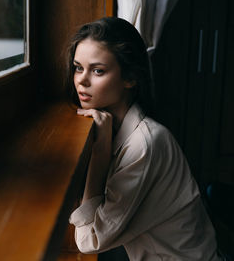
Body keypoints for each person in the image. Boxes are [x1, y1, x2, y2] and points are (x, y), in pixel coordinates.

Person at [66, 17, 221, 261]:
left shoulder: (145, 143)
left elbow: (89, 240)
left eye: (98, 71)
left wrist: (100, 153)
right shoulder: (115, 128)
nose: (82, 80)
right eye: (78, 67)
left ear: (130, 78)